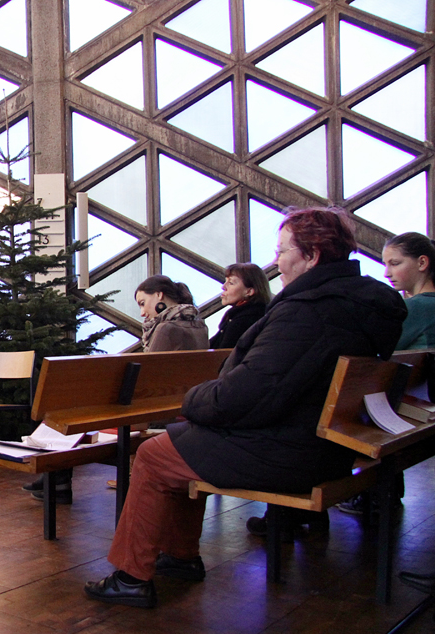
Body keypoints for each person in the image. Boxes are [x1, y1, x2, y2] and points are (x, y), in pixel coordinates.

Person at [83, 207, 406, 608]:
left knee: (153, 454)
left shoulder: (310, 312)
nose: (277, 261)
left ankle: (132, 576)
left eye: (282, 251)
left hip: (289, 451)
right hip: (328, 445)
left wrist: (194, 399)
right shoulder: (363, 305)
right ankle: (180, 557)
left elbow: (251, 393)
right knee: (181, 441)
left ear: (312, 255)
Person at [26, 276, 209, 502]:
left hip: (156, 414)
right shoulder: (199, 325)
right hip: (183, 407)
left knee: (68, 414)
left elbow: (147, 379)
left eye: (143, 303)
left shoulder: (166, 328)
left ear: (159, 295)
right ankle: (57, 480)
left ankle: (57, 481)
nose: (142, 313)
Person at [338, 232, 435, 516]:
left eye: (395, 263)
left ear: (422, 263)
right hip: (423, 403)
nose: (386, 273)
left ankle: (373, 493)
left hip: (409, 406)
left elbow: (374, 348)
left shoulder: (416, 307)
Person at [209, 263, 271, 349]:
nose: (223, 287)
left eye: (231, 283)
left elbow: (223, 352)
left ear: (249, 291)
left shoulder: (246, 319)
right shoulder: (235, 315)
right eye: (225, 281)